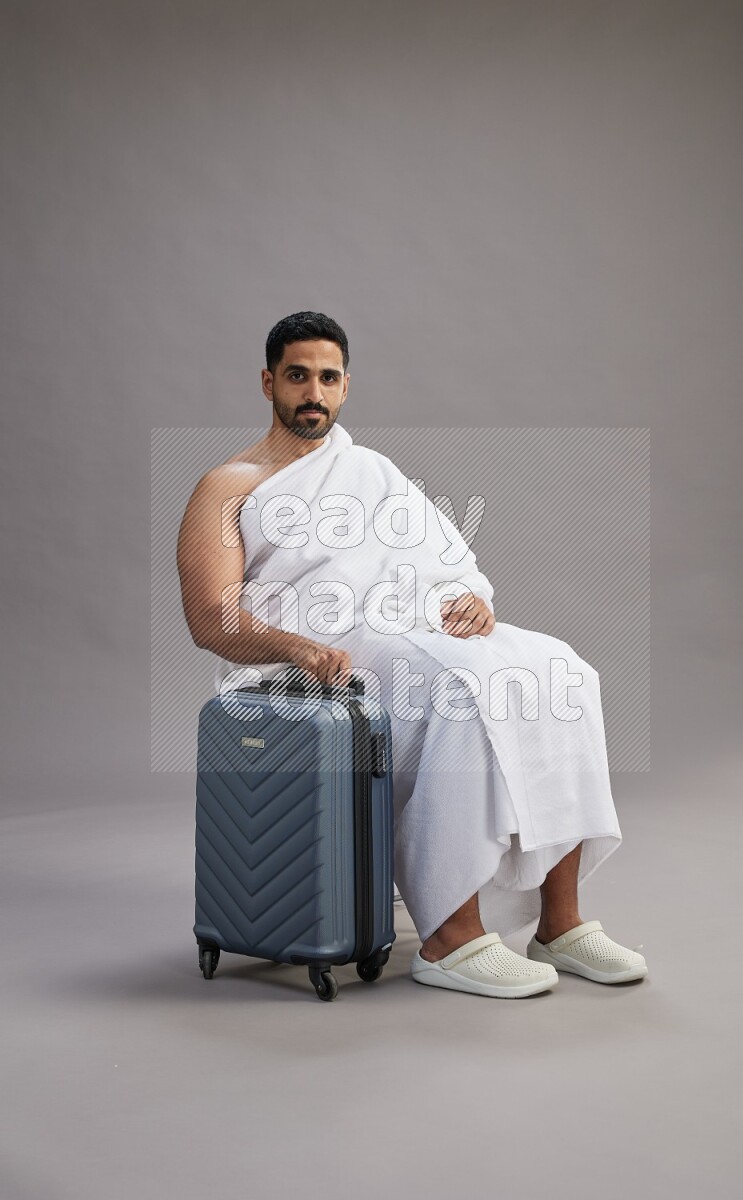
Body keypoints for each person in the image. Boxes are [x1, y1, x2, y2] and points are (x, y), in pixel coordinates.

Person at [177, 311, 648, 1000]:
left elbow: (448, 563)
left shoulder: (371, 471)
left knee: (561, 671)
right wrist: (300, 646)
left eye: (327, 378)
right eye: (298, 375)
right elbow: (211, 617)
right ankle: (449, 937)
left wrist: (473, 601)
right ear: (268, 381)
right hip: (306, 655)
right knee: (457, 690)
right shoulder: (229, 484)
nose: (313, 391)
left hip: (406, 626)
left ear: (346, 387)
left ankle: (561, 924)